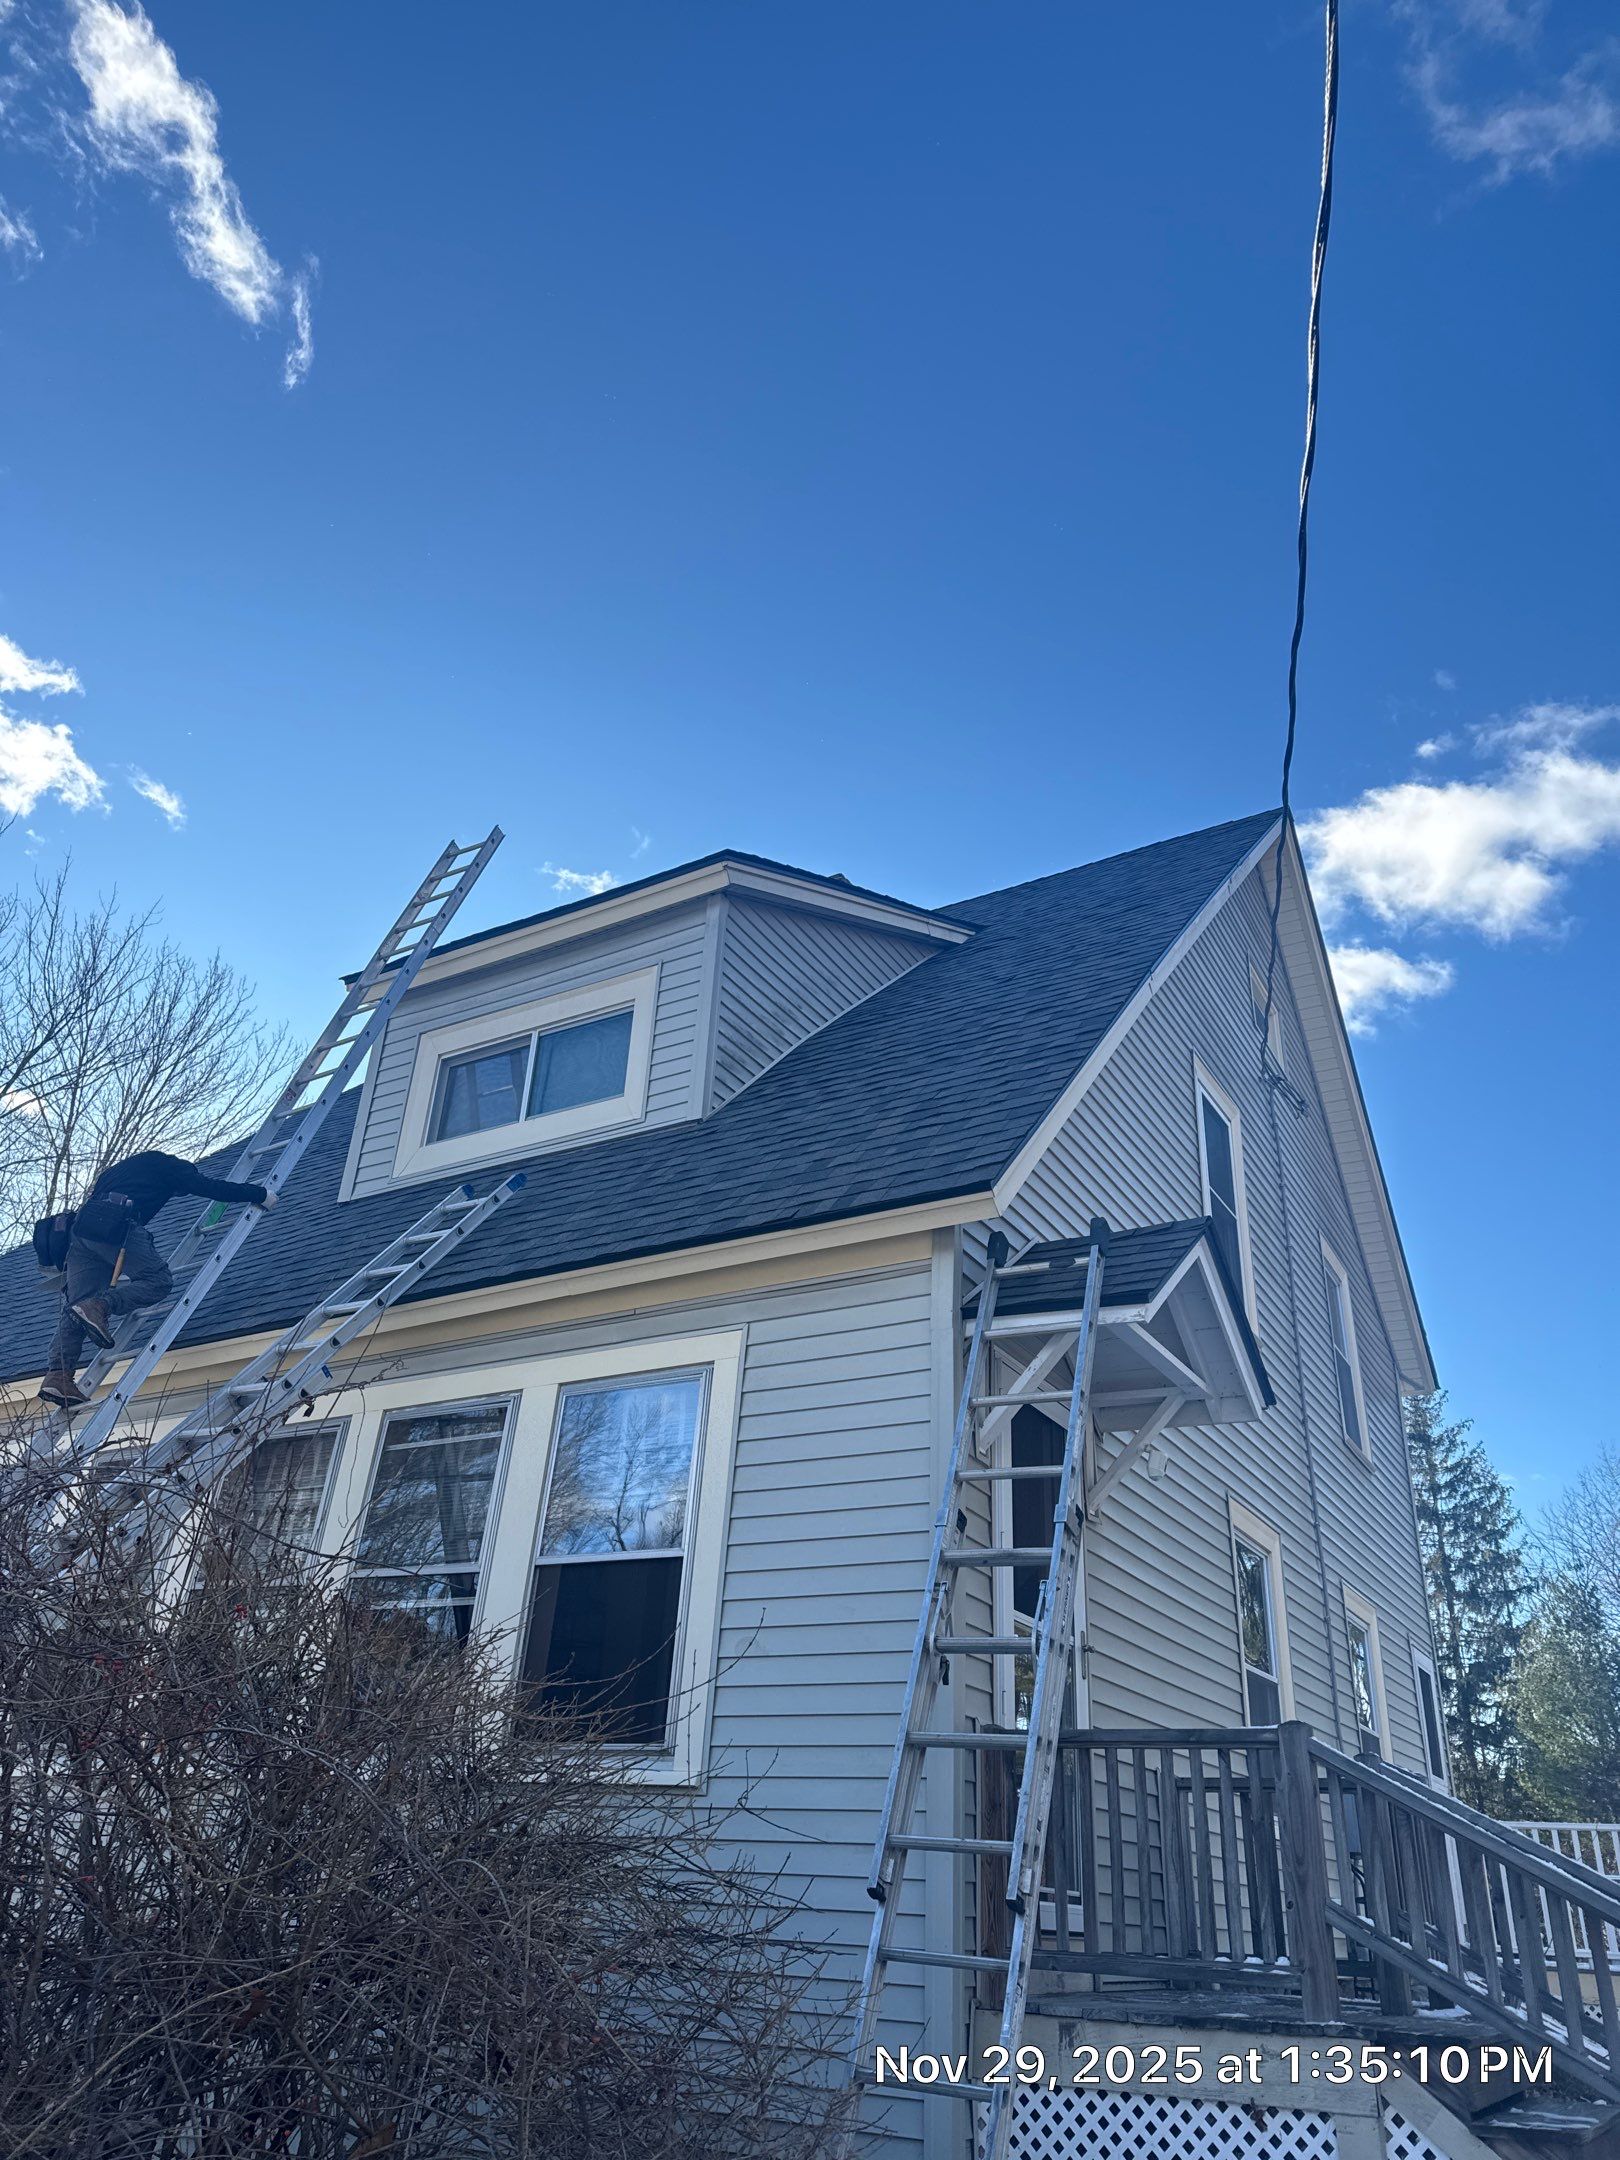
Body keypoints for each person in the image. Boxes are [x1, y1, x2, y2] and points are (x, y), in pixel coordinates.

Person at [37, 1151, 278, 1409]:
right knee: (158, 1280)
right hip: (116, 1222)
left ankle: (58, 1375)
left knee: (76, 1305)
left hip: (82, 1231)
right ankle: (101, 1306)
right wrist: (260, 1195)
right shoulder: (171, 1167)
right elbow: (207, 1186)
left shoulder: (121, 1170)